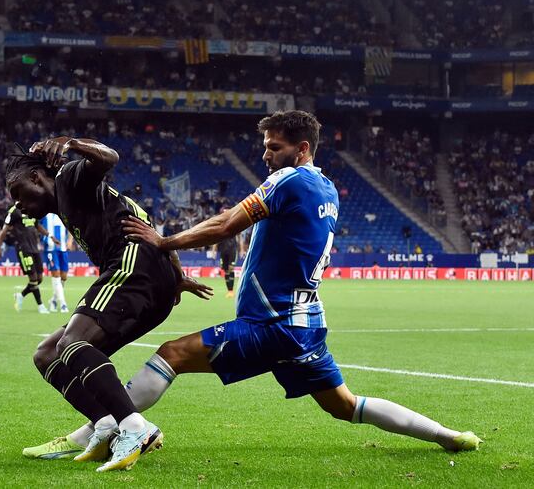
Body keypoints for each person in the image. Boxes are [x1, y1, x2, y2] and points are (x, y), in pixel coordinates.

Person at [41, 110, 481, 460]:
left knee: (170, 354)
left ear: (301, 148)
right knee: (346, 406)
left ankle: (99, 431)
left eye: (275, 147)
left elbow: (227, 223)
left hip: (272, 322)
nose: (266, 155)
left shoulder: (290, 179)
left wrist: (165, 242)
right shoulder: (327, 187)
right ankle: (448, 436)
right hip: (306, 325)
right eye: (266, 147)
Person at [6, 139, 211, 472]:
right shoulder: (69, 202)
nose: (18, 205)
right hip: (152, 283)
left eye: (18, 194)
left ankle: (134, 428)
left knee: (72, 342)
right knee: (48, 354)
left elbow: (108, 157)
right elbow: (144, 222)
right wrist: (177, 275)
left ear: (35, 177)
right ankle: (106, 425)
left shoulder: (68, 178)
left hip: (134, 268)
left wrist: (70, 143)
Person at [0, 204, 53, 314]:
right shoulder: (14, 211)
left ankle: (20, 295)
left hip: (34, 248)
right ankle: (41, 305)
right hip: (23, 248)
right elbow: (4, 230)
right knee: (33, 278)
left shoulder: (31, 208)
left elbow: (37, 225)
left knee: (39, 279)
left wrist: (49, 235)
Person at [42, 212, 70, 313]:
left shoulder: (62, 212)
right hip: (50, 248)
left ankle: (53, 300)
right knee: (56, 274)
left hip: (63, 248)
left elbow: (70, 226)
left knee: (64, 277)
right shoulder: (45, 214)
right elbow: (38, 225)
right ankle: (63, 304)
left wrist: (70, 241)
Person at [211, 206, 239, 298]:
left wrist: (242, 249)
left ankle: (231, 291)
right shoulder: (219, 225)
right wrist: (214, 250)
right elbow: (216, 239)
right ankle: (229, 291)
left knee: (231, 268)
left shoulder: (235, 224)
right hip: (223, 250)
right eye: (224, 212)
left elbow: (239, 238)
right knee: (226, 270)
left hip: (232, 250)